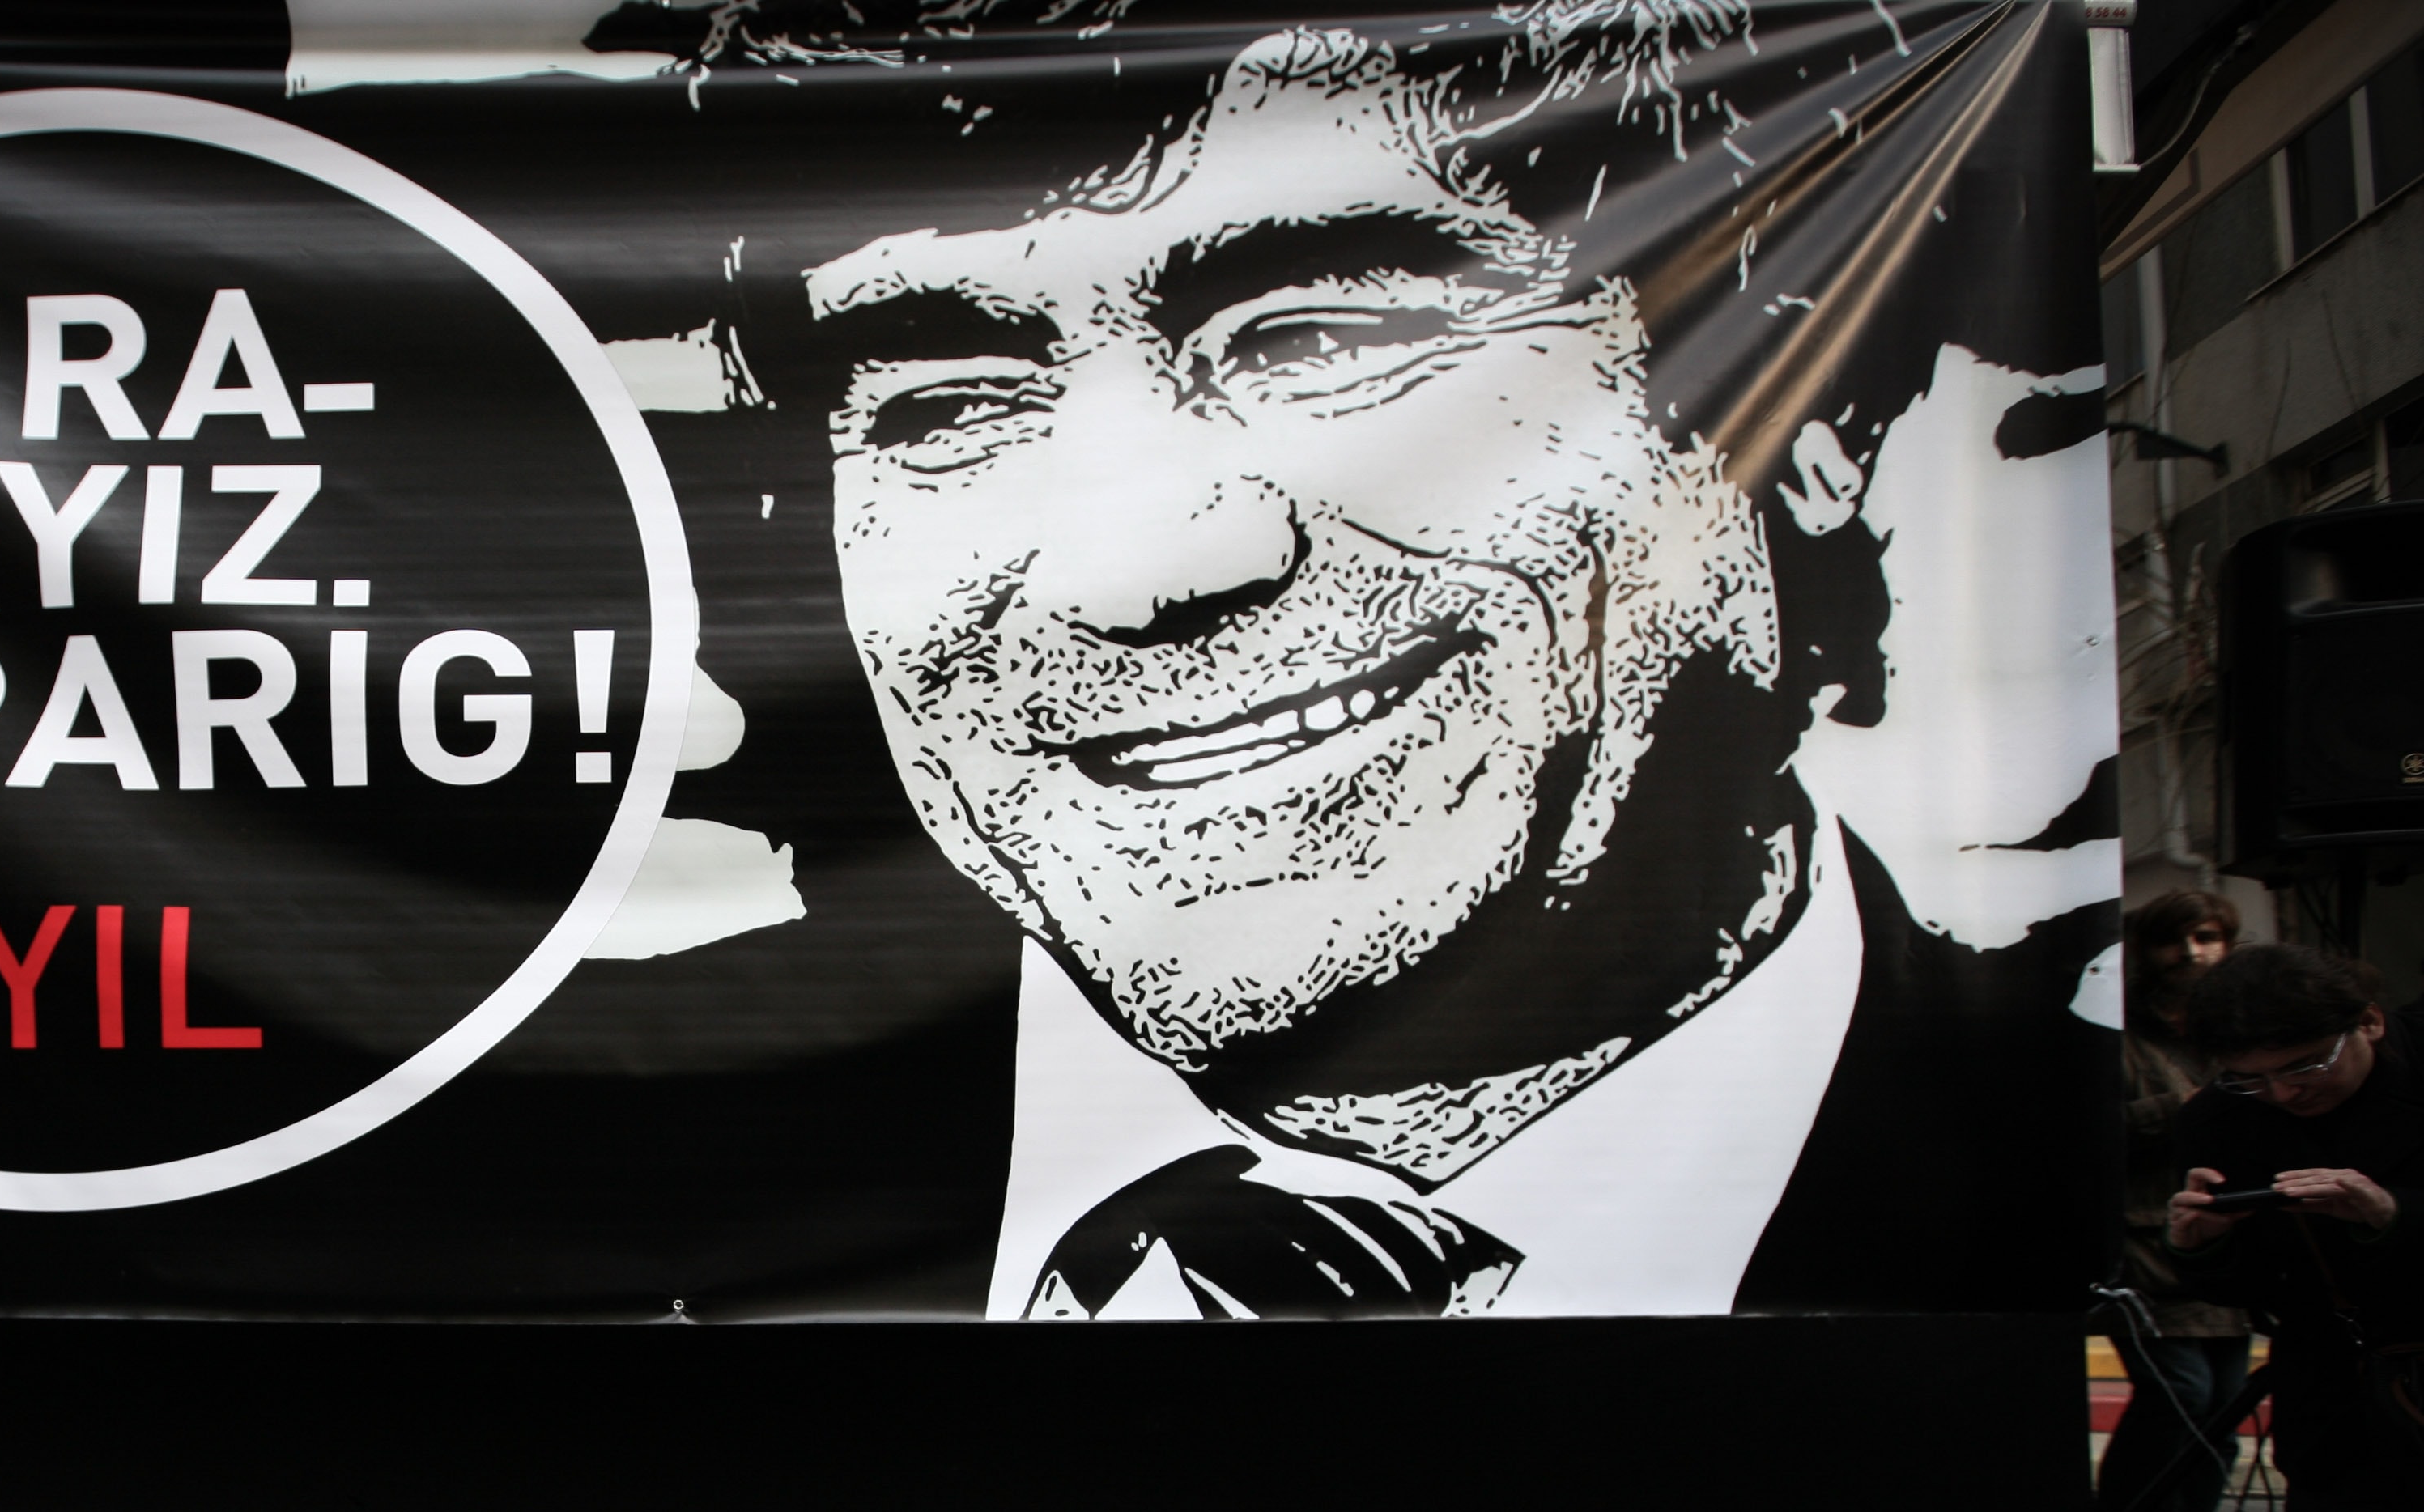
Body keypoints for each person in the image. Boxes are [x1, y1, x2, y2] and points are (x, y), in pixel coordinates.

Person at [610, 0, 2114, 1318]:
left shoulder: (2037, 1152)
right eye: (948, 406)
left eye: (1321, 342)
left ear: (1801, 423)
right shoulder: (604, 1169)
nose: (1140, 569)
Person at [2167, 945, 2424, 1512]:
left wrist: (2392, 1217)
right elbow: (2245, 1279)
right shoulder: (2223, 1119)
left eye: (2304, 1067)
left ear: (2369, 1022)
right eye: (2252, 1079)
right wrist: (2198, 1244)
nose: (2284, 1095)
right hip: (2338, 1389)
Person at [2101, 890, 2253, 1512]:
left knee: (2222, 1409)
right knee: (2180, 1397)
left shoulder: (2237, 1035)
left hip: (2229, 1248)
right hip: (2147, 1247)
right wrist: (2187, 1109)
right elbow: (2091, 1132)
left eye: (2207, 937)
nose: (2192, 954)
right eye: (2175, 940)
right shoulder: (2116, 1035)